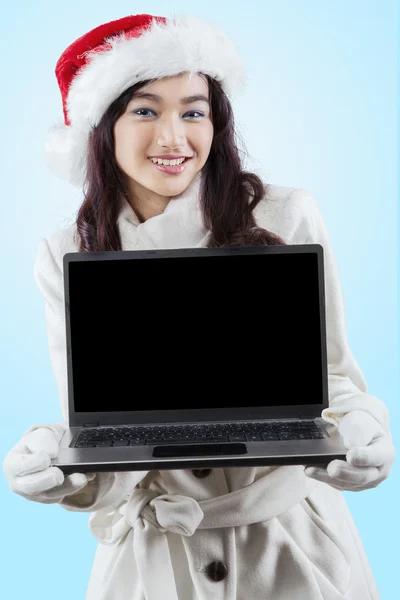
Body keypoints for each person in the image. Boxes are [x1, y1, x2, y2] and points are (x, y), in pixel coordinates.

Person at [3, 13, 395, 600]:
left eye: (193, 111)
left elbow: (333, 377)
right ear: (100, 128)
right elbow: (103, 429)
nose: (173, 138)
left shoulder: (285, 216)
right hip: (154, 562)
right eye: (144, 110)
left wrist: (362, 430)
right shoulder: (65, 254)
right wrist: (62, 467)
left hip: (292, 549)